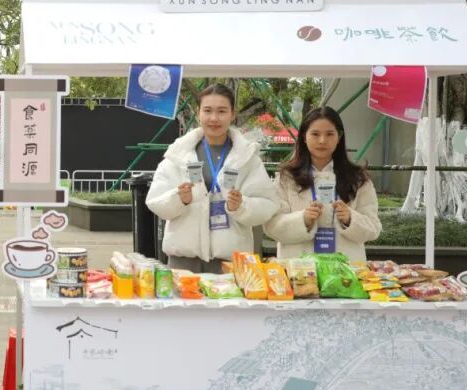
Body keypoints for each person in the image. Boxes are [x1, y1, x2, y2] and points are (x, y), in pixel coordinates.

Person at [146, 83, 277, 272]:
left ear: (232, 114)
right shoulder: (178, 154)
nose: (214, 118)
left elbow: (268, 204)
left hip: (230, 264)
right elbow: (154, 201)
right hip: (183, 263)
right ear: (198, 112)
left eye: (222, 111)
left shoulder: (247, 158)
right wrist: (178, 199)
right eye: (207, 110)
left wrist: (241, 206)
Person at [264, 106, 381, 260]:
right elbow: (271, 226)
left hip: (345, 270)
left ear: (339, 137)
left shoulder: (358, 178)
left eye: (329, 134)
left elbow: (374, 228)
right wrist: (303, 220)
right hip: (299, 268)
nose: (322, 140)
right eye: (315, 134)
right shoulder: (287, 178)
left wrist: (350, 219)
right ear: (304, 136)